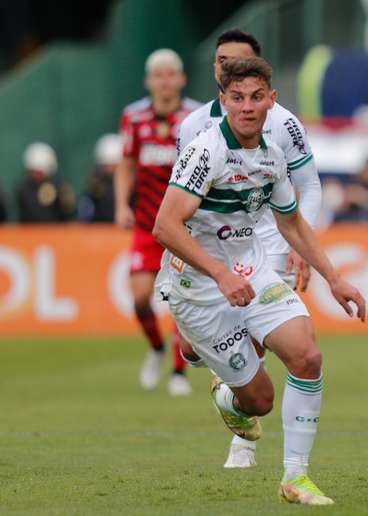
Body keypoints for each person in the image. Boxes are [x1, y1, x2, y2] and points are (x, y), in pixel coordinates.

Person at [153, 57, 365, 505]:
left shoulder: (272, 155)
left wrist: (334, 278)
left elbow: (292, 225)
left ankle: (295, 478)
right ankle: (231, 401)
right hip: (198, 289)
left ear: (272, 99)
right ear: (223, 101)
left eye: (256, 97)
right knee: (259, 401)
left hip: (251, 271)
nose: (247, 107)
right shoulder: (206, 151)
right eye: (237, 98)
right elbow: (166, 226)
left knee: (307, 356)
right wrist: (219, 273)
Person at [176, 28, 323, 469]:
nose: (228, 66)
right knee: (191, 350)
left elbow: (309, 184)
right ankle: (231, 391)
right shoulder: (194, 126)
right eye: (222, 61)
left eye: (237, 60)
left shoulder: (283, 123)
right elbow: (180, 203)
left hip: (269, 243)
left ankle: (244, 443)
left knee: (275, 342)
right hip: (213, 250)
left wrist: (303, 245)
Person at [114, 49, 200, 395]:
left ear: (181, 79)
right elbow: (126, 163)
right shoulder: (133, 118)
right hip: (146, 225)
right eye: (158, 75)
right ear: (149, 81)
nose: (165, 81)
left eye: (171, 74)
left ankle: (179, 372)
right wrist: (122, 204)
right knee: (138, 297)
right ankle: (156, 349)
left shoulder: (195, 117)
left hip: (183, 225)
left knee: (180, 299)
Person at [16, 142, 76, 223]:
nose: (36, 174)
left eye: (39, 171)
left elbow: (68, 215)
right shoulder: (23, 188)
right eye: (33, 171)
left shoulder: (59, 187)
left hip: (56, 233)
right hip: (30, 233)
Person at [77, 133, 123, 222]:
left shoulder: (132, 186)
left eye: (113, 165)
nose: (109, 169)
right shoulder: (95, 184)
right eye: (106, 165)